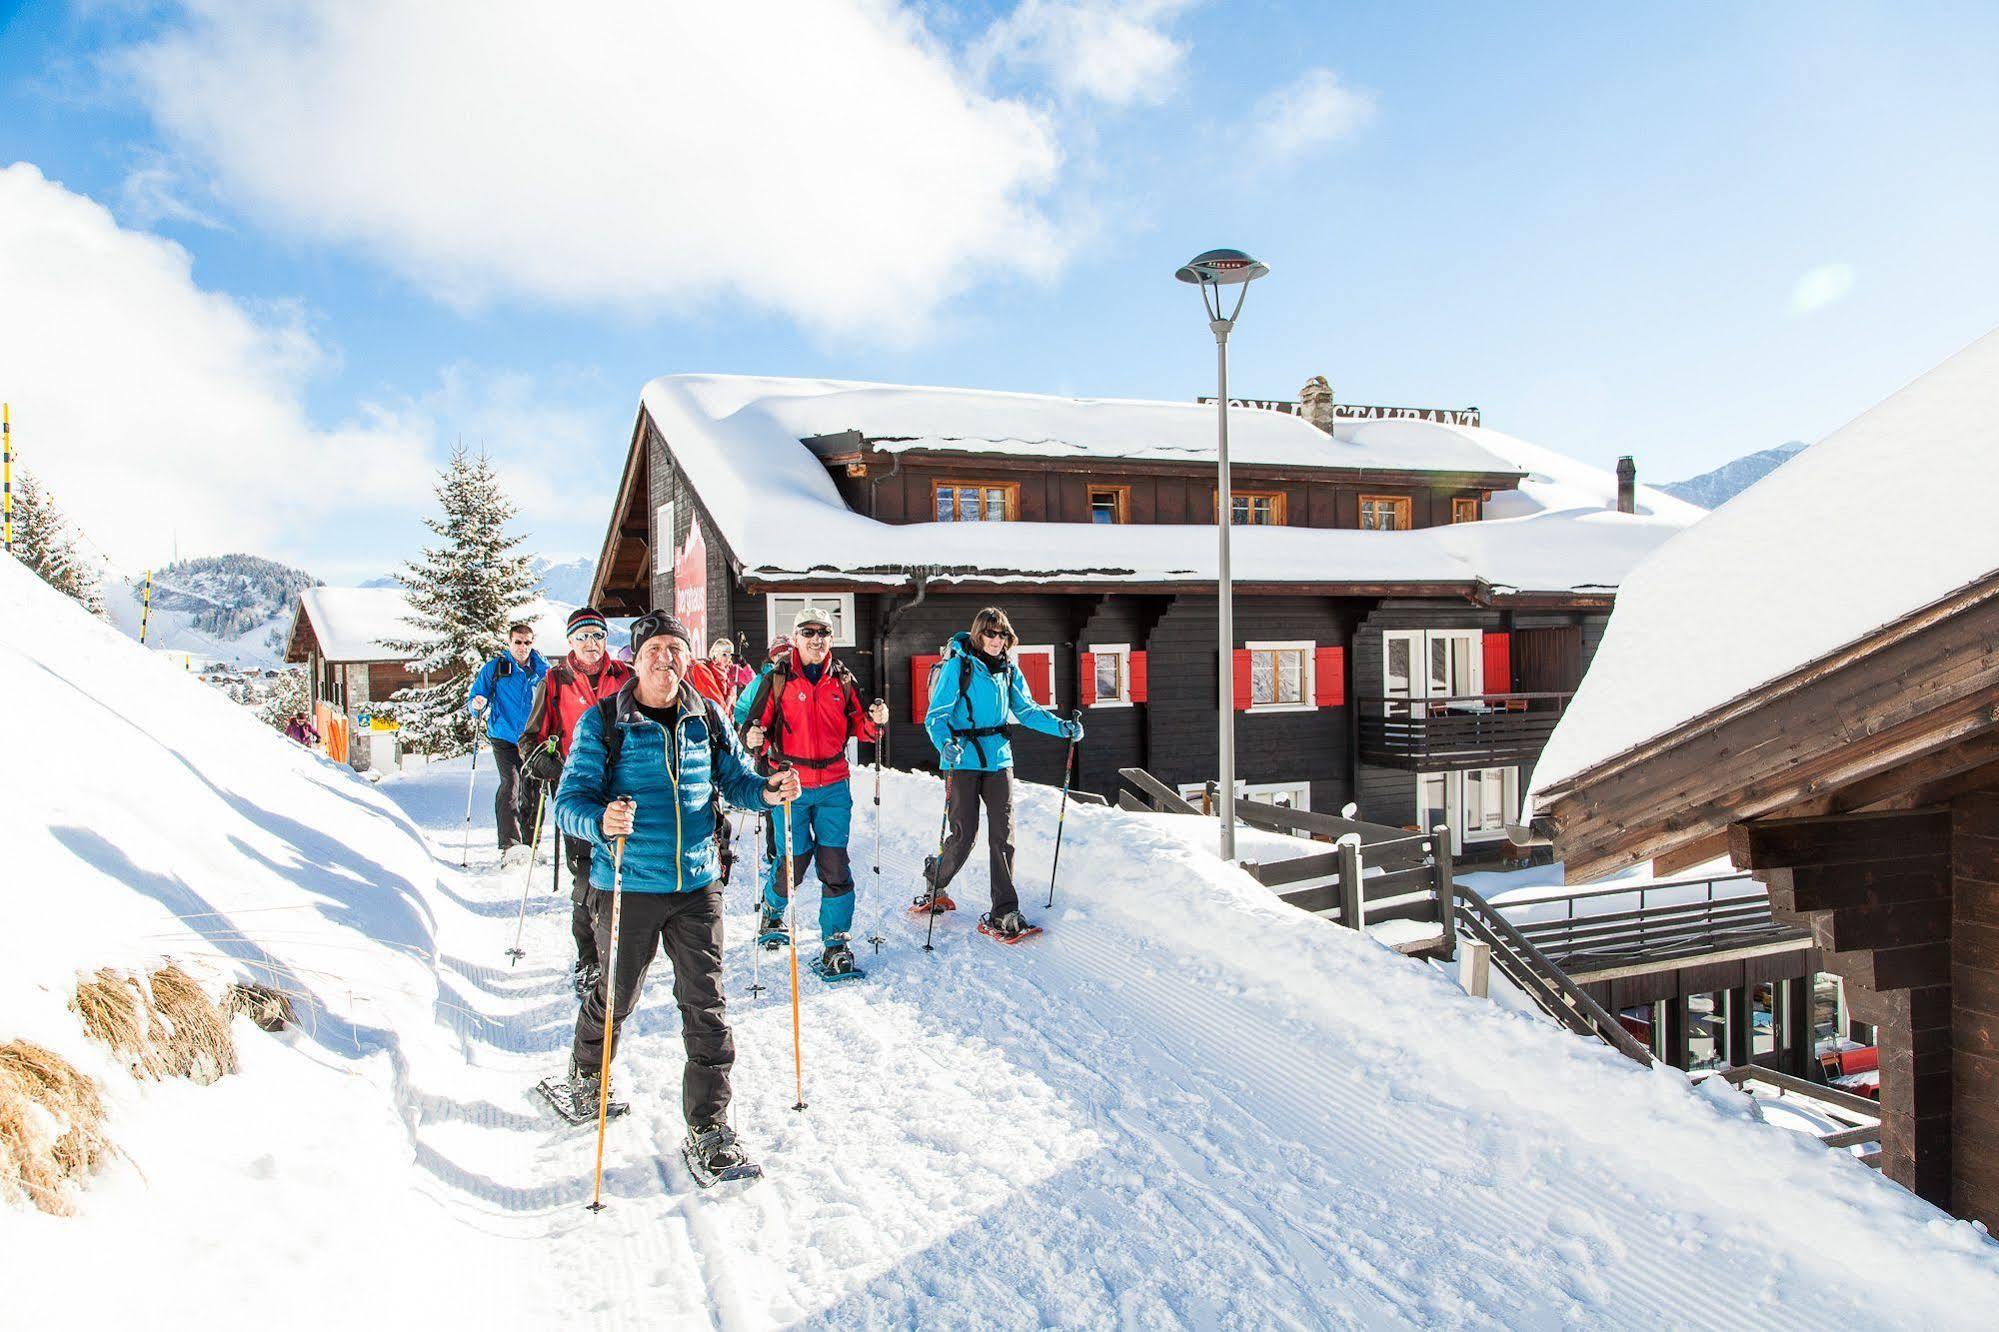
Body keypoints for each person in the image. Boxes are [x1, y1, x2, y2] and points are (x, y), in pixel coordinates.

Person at [555, 610, 800, 1176]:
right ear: (635, 661)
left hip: (696, 882)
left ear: (687, 658)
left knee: (706, 1005)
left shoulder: (707, 716)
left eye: (675, 650)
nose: (665, 660)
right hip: (628, 884)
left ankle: (710, 1126)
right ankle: (588, 1072)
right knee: (617, 994)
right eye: (654, 651)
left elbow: (735, 780)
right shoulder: (604, 723)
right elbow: (571, 802)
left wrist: (767, 789)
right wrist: (602, 822)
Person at [739, 607, 888, 975]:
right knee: (794, 863)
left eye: (823, 632)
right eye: (808, 633)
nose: (816, 639)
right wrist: (752, 737)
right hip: (791, 784)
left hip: (835, 784)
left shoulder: (843, 679)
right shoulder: (777, 679)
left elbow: (861, 725)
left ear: (831, 639)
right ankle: (773, 910)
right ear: (795, 639)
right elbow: (754, 727)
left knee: (835, 864)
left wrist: (876, 723)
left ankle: (836, 942)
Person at [921, 607, 1081, 939]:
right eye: (990, 634)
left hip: (998, 761)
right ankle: (935, 878)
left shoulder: (1009, 670)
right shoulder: (958, 667)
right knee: (965, 835)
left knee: (1003, 837)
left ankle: (1004, 910)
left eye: (1002, 634)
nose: (996, 640)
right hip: (962, 760)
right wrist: (944, 745)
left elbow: (1026, 710)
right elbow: (936, 716)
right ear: (978, 635)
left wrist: (1062, 727)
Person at [520, 606, 632, 998]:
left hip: (622, 789)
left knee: (626, 877)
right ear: (570, 641)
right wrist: (551, 765)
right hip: (579, 794)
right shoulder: (554, 682)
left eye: (598, 636)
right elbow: (530, 740)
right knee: (586, 878)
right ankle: (589, 960)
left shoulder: (625, 677)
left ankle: (624, 956)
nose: (591, 644)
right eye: (583, 636)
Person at [468, 621, 551, 864]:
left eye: (527, 642)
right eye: (518, 642)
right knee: (511, 783)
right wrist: (476, 705)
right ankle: (510, 844)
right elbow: (476, 695)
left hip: (533, 738)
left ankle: (530, 843)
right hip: (503, 736)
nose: (523, 647)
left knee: (533, 789)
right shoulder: (496, 668)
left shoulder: (543, 670)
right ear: (509, 643)